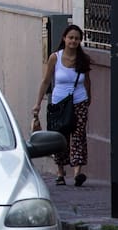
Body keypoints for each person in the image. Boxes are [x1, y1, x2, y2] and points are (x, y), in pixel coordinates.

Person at [32, 24, 91, 186]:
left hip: (79, 102)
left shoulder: (83, 59)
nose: (73, 41)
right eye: (71, 37)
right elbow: (45, 81)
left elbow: (87, 82)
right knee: (60, 136)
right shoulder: (55, 58)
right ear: (64, 38)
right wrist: (37, 103)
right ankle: (60, 171)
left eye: (77, 38)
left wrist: (88, 100)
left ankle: (78, 171)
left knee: (78, 135)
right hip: (58, 103)